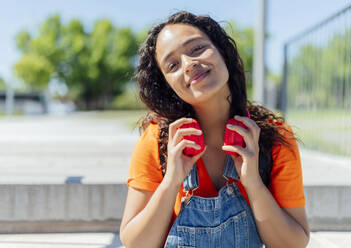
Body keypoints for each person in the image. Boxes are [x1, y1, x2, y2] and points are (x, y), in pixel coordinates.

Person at [120, 11, 310, 248]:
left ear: (222, 51)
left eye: (197, 48)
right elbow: (136, 244)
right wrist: (171, 181)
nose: (189, 64)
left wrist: (253, 183)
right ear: (167, 85)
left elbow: (292, 244)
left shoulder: (275, 137)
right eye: (173, 65)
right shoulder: (157, 139)